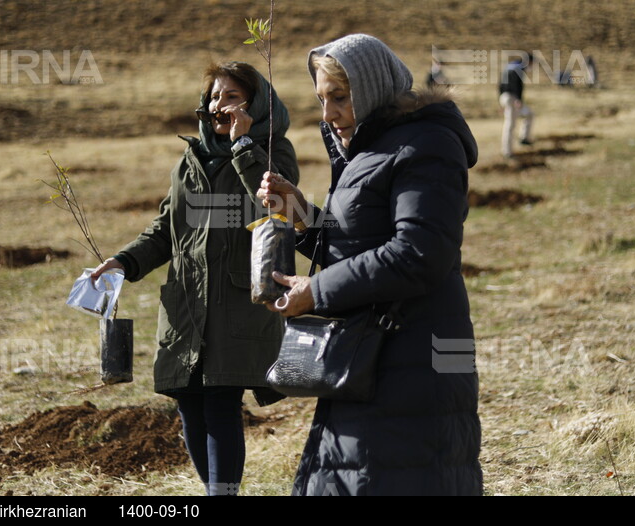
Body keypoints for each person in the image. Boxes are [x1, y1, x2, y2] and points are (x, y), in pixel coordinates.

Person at [257, 34, 482, 496]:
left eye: (339, 98)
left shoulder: (427, 144)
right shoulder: (370, 148)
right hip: (370, 356)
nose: (327, 114)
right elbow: (356, 245)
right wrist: (298, 213)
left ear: (372, 88)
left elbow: (418, 253)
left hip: (417, 357)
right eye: (321, 99)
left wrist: (315, 292)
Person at [91, 61, 299, 496]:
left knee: (222, 401)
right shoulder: (189, 160)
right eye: (215, 96)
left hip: (237, 301)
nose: (219, 105)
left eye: (232, 97)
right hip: (186, 302)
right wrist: (123, 262)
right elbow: (166, 228)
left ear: (255, 106)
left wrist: (243, 144)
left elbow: (275, 205)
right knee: (189, 403)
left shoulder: (273, 151)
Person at [498, 53, 534, 157]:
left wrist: (500, 102)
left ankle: (524, 138)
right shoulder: (518, 69)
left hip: (504, 97)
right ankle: (507, 151)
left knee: (529, 114)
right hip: (512, 98)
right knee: (510, 124)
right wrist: (518, 99)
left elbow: (500, 85)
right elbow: (517, 84)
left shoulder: (509, 67)